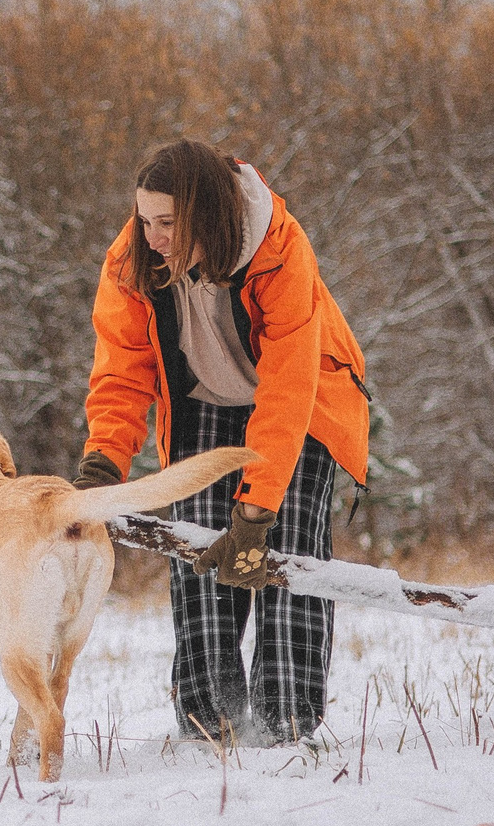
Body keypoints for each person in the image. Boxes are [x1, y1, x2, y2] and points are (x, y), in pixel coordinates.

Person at [75, 139, 370, 746]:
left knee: (285, 555)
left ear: (205, 213)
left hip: (301, 404)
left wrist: (256, 512)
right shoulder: (132, 263)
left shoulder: (279, 250)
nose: (151, 236)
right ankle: (212, 724)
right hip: (203, 402)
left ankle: (286, 725)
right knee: (201, 552)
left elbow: (287, 389)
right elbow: (121, 371)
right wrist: (102, 467)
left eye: (166, 222)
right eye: (144, 219)